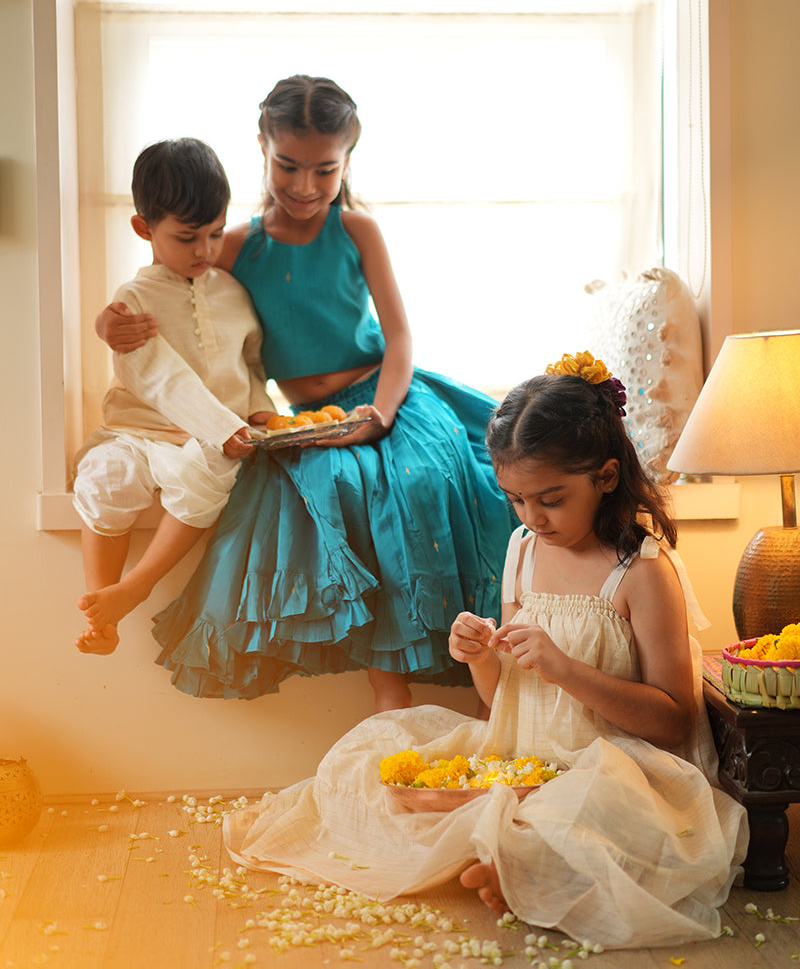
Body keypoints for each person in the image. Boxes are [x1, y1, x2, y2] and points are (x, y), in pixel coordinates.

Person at [220, 353, 749, 949]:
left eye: (550, 498)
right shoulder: (523, 549)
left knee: (586, 812)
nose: (532, 517)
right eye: (515, 499)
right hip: (526, 757)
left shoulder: (640, 572)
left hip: (621, 765)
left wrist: (567, 669)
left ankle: (518, 864)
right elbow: (507, 702)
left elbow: (674, 723)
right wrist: (481, 658)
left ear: (604, 476)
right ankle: (511, 859)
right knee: (373, 765)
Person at [96, 75, 516, 710]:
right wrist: (109, 324)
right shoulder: (231, 245)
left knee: (426, 482)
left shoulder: (358, 231)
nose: (304, 186)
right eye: (287, 166)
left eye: (325, 170)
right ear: (261, 147)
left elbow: (400, 337)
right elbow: (177, 305)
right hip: (307, 419)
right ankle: (388, 696)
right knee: (344, 497)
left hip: (389, 397)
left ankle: (491, 683)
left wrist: (382, 414)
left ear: (347, 161)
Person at [73, 137, 275, 655]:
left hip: (209, 443)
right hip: (138, 430)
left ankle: (134, 588)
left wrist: (258, 410)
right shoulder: (133, 300)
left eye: (213, 233)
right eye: (187, 237)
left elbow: (250, 361)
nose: (205, 250)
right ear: (145, 228)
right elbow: (157, 375)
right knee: (103, 477)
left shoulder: (232, 292)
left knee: (207, 473)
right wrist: (222, 426)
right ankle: (101, 609)